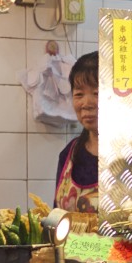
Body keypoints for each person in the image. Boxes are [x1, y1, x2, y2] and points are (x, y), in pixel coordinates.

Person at [54, 51, 99, 215]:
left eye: (97, 93)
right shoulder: (69, 154)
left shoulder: (131, 155)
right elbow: (56, 217)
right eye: (79, 94)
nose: (86, 104)